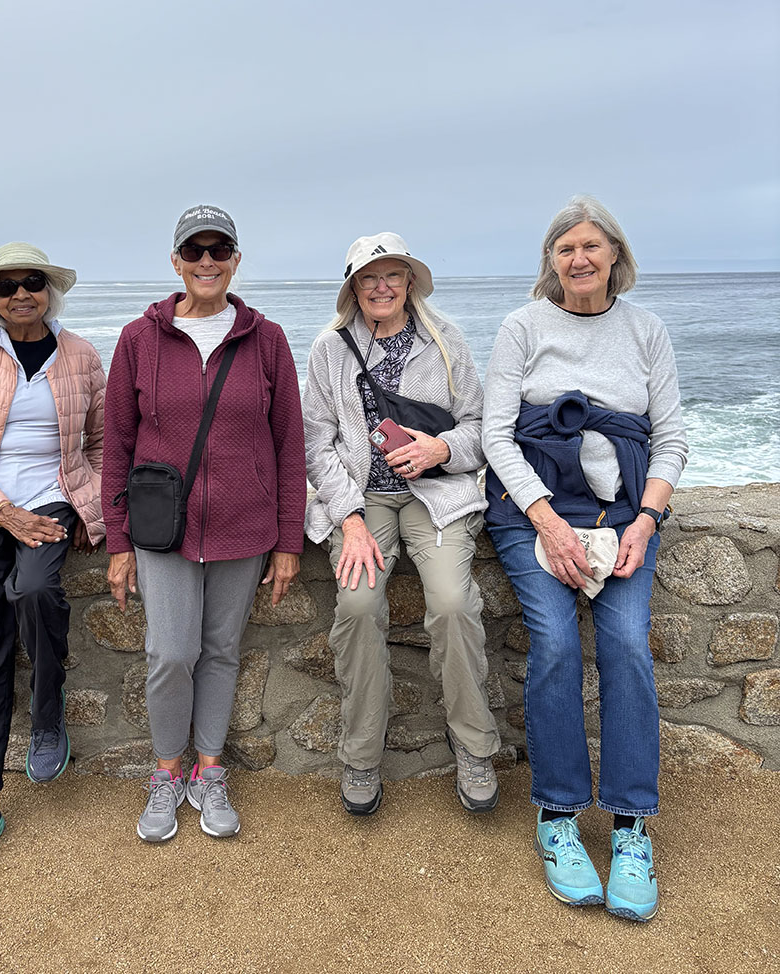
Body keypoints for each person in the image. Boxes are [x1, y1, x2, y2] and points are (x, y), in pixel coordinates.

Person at [482, 196, 688, 921]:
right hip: (532, 517)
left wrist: (647, 520)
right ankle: (558, 815)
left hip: (624, 517)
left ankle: (631, 826)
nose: (579, 259)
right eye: (565, 248)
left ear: (614, 255)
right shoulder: (522, 327)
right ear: (551, 260)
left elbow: (671, 437)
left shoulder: (646, 330)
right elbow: (495, 436)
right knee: (557, 644)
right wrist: (547, 523)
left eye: (591, 246)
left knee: (627, 644)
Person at [102, 204, 306, 842]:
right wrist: (117, 541)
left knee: (220, 651)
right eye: (195, 251)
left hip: (245, 527)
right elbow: (117, 447)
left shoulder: (266, 340)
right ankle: (167, 771)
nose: (207, 261)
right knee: (170, 653)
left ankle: (209, 769)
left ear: (236, 261)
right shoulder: (138, 339)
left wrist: (289, 540)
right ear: (176, 262)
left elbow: (290, 445)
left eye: (220, 250)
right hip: (163, 530)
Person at [303, 232, 501, 817]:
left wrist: (441, 449)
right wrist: (349, 519)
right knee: (359, 606)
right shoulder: (329, 349)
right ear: (353, 288)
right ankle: (362, 755)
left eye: (392, 274)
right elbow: (316, 444)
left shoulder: (446, 342)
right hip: (360, 500)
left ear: (410, 282)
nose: (381, 286)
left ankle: (475, 748)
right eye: (369, 277)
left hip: (434, 495)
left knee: (453, 605)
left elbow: (481, 428)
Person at [0, 242, 105, 878]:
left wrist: (90, 509)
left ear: (48, 291)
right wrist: (0, 510)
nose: (21, 294)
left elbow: (102, 442)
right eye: (6, 286)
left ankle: (48, 715)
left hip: (53, 500)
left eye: (32, 282)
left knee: (33, 589)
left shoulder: (80, 354)